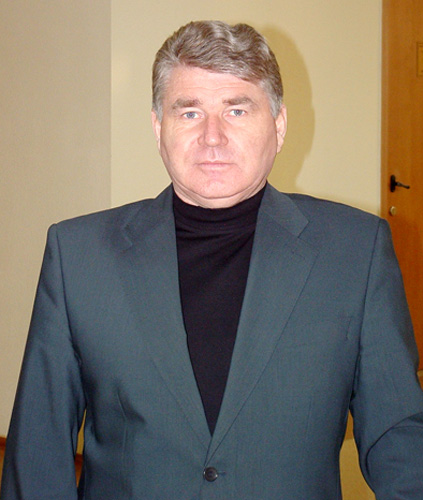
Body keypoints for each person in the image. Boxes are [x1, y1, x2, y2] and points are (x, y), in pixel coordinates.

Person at [1, 20, 423, 500]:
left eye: (237, 110)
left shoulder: (355, 251)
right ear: (158, 127)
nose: (213, 136)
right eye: (189, 112)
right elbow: (37, 455)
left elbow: (399, 437)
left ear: (279, 125)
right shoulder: (78, 256)